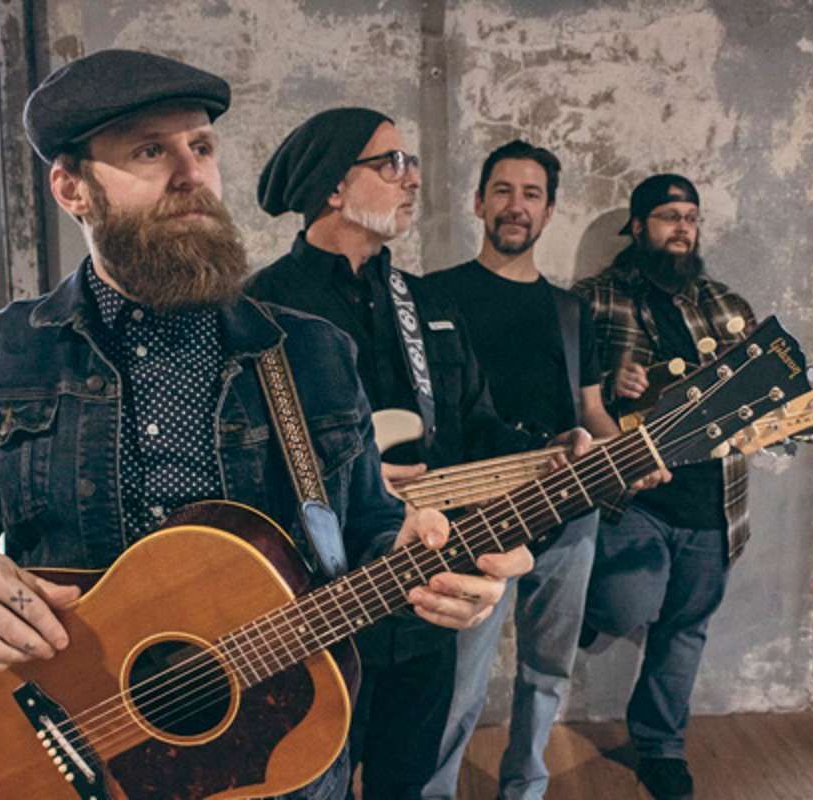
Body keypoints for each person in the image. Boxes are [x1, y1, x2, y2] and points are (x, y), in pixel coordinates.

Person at [0, 50, 530, 800]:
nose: (191, 174)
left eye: (201, 146)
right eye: (150, 151)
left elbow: (365, 529)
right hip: (66, 752)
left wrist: (424, 562)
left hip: (279, 763)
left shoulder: (311, 353)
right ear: (71, 188)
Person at [247, 110, 590, 800]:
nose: (412, 179)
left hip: (420, 603)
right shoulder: (259, 308)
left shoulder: (423, 303)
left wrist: (548, 452)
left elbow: (475, 425)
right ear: (334, 187)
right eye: (391, 163)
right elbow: (231, 460)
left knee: (406, 781)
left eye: (411, 163)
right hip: (313, 611)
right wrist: (347, 479)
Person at [420, 140, 617, 800]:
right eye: (502, 190)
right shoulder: (431, 296)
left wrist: (633, 455)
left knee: (547, 670)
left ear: (549, 210)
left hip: (568, 515)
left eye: (532, 194)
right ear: (479, 202)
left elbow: (591, 411)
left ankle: (525, 787)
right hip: (471, 521)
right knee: (456, 683)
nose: (516, 205)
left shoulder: (571, 311)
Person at [572, 174, 757, 800]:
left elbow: (757, 391)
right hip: (635, 494)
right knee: (625, 604)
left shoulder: (727, 306)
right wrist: (609, 382)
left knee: (685, 627)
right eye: (668, 216)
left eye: (691, 217)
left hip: (714, 496)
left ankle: (660, 747)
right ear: (637, 226)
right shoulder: (595, 299)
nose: (682, 228)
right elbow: (565, 388)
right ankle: (589, 614)